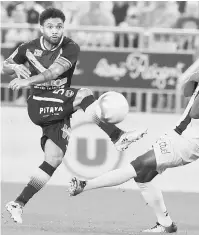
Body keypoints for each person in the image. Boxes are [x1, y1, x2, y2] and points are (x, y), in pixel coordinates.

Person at [68, 38, 199, 233]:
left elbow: (196, 113)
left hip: (190, 143)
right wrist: (193, 77)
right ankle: (166, 225)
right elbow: (186, 93)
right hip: (177, 132)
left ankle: (84, 185)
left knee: (139, 165)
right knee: (143, 177)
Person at [3, 8, 146, 224]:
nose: (55, 31)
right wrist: (13, 66)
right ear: (41, 28)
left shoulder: (70, 47)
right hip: (39, 103)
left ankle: (18, 203)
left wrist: (27, 81)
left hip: (58, 105)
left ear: (64, 27)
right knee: (83, 95)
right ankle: (117, 136)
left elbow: (54, 73)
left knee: (54, 159)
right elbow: (5, 66)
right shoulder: (27, 48)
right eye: (50, 26)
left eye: (59, 26)